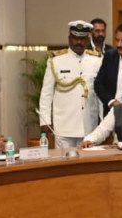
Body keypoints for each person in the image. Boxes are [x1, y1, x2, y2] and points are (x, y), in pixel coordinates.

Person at [39, 20, 103, 149]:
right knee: (63, 161)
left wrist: (103, 120)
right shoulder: (56, 60)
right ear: (69, 39)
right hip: (64, 127)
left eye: (82, 39)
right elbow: (46, 93)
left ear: (88, 40)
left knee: (89, 161)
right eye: (75, 38)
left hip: (89, 126)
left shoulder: (97, 60)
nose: (79, 42)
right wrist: (45, 121)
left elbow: (99, 94)